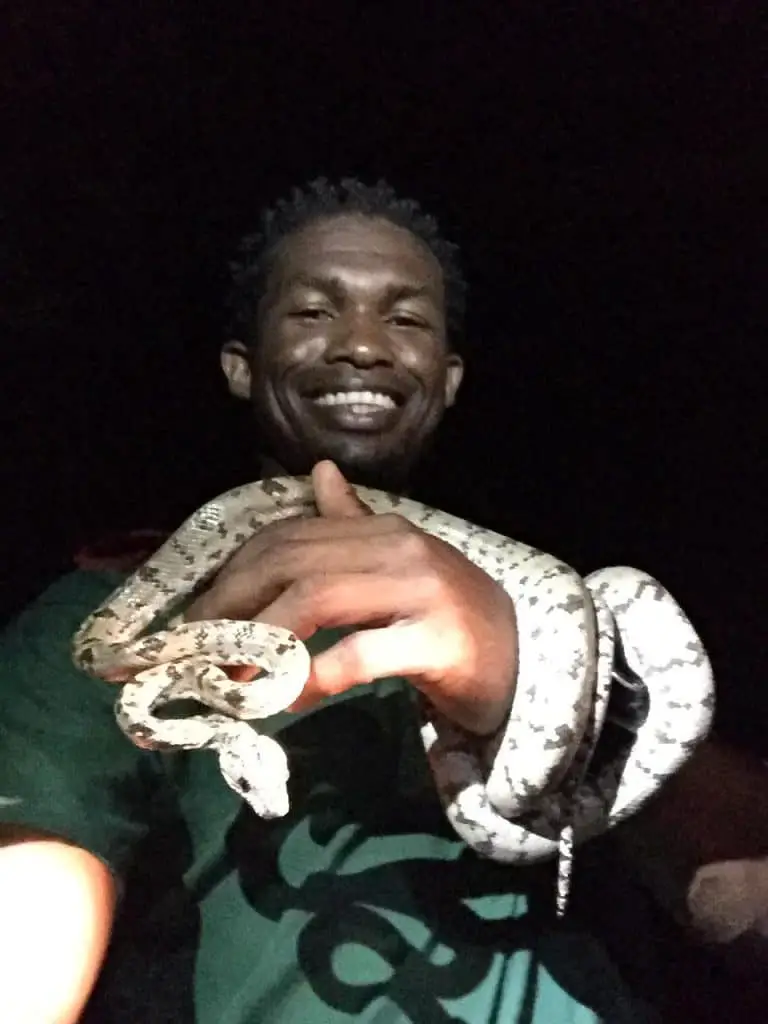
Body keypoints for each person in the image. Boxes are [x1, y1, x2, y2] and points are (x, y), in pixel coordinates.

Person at [0, 177, 718, 1023]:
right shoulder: (113, 616)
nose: (363, 347)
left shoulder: (544, 598)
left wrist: (544, 694)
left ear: (448, 379)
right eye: (313, 312)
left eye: (406, 318)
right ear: (242, 365)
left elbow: (728, 873)